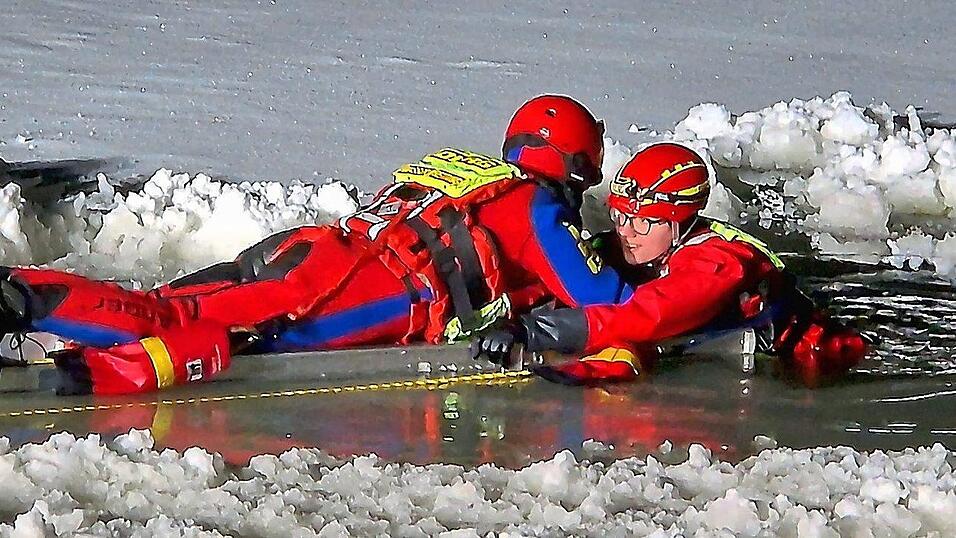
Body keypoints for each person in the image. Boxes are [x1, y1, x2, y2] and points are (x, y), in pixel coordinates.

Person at [0, 95, 632, 395]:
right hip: (356, 290)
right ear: (575, 163)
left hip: (313, 249)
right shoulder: (535, 205)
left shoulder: (473, 175)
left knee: (175, 303)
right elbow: (602, 298)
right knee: (189, 324)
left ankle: (44, 319)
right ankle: (22, 299)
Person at [473, 142, 867, 385]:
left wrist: (535, 332)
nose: (627, 231)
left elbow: (647, 315)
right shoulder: (632, 245)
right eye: (620, 216)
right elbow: (564, 281)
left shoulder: (718, 262)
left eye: (643, 222)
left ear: (678, 224)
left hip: (807, 363)